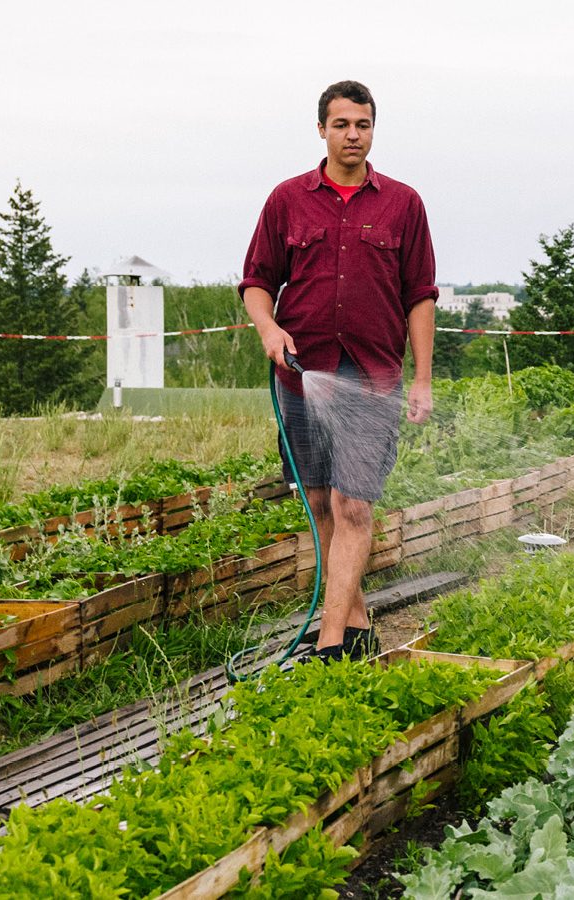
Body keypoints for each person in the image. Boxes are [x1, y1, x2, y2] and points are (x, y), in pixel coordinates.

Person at [238, 80, 438, 662]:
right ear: (321, 129)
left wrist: (422, 378)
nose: (353, 135)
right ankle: (356, 623)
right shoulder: (287, 199)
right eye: (342, 124)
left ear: (374, 129)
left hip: (372, 379)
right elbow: (256, 282)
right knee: (322, 502)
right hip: (303, 376)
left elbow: (420, 296)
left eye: (364, 125)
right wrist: (269, 329)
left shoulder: (403, 203)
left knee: (355, 506)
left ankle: (330, 644)